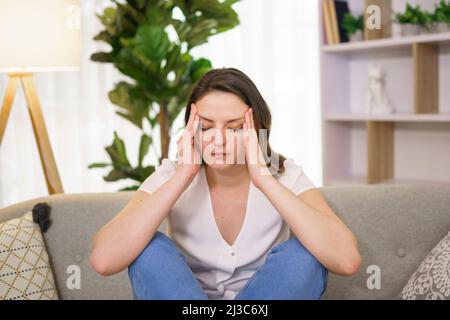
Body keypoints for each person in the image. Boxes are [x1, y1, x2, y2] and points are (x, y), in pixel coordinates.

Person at [90, 68, 362, 300]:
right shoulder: (172, 174)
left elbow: (346, 259)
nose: (218, 140)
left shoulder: (283, 175)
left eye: (234, 127)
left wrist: (264, 180)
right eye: (206, 127)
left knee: (305, 254)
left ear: (257, 129)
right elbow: (104, 260)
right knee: (149, 249)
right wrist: (183, 176)